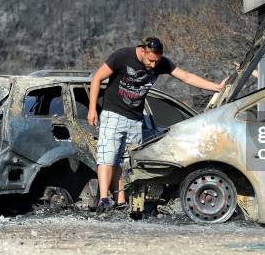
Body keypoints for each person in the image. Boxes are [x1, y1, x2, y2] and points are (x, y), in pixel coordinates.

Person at [87, 37, 227, 212]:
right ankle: (103, 199)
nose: (153, 65)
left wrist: (216, 87)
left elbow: (186, 77)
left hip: (136, 117)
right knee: (107, 155)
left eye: (157, 61)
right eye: (150, 60)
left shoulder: (161, 64)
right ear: (143, 51)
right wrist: (92, 109)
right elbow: (97, 78)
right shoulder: (123, 56)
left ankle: (120, 200)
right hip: (114, 113)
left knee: (125, 160)